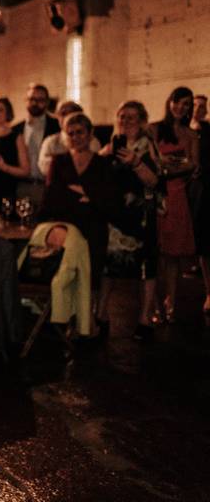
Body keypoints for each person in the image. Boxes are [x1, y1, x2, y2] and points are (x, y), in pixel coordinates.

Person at [95, 101, 160, 341]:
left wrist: (135, 162)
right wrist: (101, 156)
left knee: (146, 268)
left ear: (142, 121)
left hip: (140, 215)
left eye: (131, 117)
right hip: (115, 216)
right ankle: (101, 316)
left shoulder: (148, 146)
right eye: (121, 116)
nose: (125, 121)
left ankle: (145, 319)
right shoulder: (111, 145)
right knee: (108, 267)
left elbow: (154, 181)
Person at [41, 113, 119, 294]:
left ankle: (89, 320)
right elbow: (52, 196)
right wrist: (89, 194)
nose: (75, 137)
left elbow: (109, 199)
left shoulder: (102, 163)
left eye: (80, 132)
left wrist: (84, 192)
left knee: (91, 280)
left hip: (94, 227)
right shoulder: (58, 161)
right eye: (70, 133)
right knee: (64, 279)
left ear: (90, 133)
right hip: (65, 226)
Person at [152, 86, 198, 323]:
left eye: (187, 104)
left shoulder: (191, 135)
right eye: (178, 102)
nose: (181, 108)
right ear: (170, 102)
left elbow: (193, 165)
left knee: (172, 255)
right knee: (155, 252)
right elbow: (149, 161)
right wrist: (167, 166)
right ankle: (154, 304)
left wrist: (167, 167)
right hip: (155, 194)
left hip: (177, 195)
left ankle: (170, 303)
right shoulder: (154, 129)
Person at [12, 83, 60, 209]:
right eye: (31, 99)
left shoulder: (57, 126)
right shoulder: (15, 129)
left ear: (47, 102)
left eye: (40, 100)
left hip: (47, 187)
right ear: (26, 100)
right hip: (21, 187)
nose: (35, 103)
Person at [37, 100, 101, 177]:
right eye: (63, 114)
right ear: (57, 117)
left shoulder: (92, 141)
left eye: (71, 112)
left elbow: (93, 167)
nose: (67, 117)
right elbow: (44, 167)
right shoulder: (50, 141)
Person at [191, 94, 210, 314]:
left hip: (203, 188)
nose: (197, 109)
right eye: (194, 105)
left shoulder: (207, 131)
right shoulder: (178, 131)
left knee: (205, 240)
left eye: (201, 106)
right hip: (185, 189)